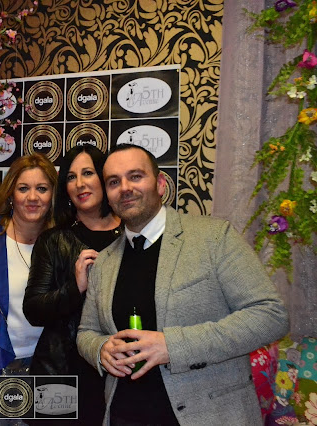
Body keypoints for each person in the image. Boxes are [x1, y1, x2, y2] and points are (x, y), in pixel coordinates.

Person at [76, 144, 289, 425]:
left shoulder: (214, 237)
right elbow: (86, 332)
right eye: (114, 182)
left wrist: (173, 346)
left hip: (210, 416)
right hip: (123, 415)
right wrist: (101, 349)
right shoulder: (104, 261)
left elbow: (270, 316)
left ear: (160, 184)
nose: (125, 188)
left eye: (135, 176)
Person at [23, 145, 121, 425]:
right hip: (62, 373)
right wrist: (75, 287)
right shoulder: (53, 241)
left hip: (122, 370)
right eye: (71, 176)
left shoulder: (132, 234)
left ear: (104, 177)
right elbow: (33, 310)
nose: (79, 183)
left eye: (88, 173)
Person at [0, 153, 57, 425]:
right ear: (11, 193)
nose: (33, 197)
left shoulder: (62, 240)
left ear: (53, 195)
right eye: (23, 188)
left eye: (42, 188)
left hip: (50, 368)